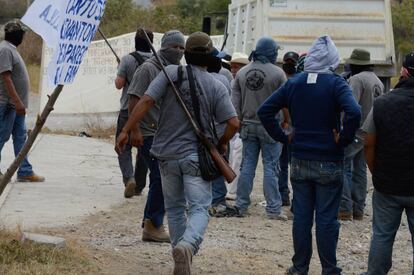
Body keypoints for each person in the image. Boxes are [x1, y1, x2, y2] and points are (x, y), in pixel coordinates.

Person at [116, 32, 239, 275]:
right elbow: (233, 123)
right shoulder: (216, 84)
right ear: (210, 55)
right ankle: (188, 246)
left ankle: (180, 261)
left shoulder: (169, 74)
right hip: (196, 157)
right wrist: (222, 143)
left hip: (166, 155)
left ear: (187, 53)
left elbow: (145, 101)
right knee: (199, 209)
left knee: (173, 208)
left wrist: (126, 130)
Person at [258, 36, 361, 275]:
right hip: (329, 159)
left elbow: (265, 111)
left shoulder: (294, 83)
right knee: (326, 219)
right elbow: (354, 111)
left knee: (302, 217)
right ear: (332, 59)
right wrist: (343, 139)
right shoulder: (336, 84)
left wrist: (285, 136)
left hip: (300, 159)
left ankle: (299, 267)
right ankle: (329, 269)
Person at [127, 30, 185, 243]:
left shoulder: (175, 70)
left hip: (166, 133)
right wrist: (134, 130)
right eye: (174, 47)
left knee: (161, 178)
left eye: (182, 48)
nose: (178, 51)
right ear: (163, 46)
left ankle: (151, 221)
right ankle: (153, 225)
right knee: (161, 179)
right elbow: (133, 101)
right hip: (148, 132)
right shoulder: (148, 69)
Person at [362, 53, 414, 275]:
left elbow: (368, 143)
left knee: (382, 235)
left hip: (388, 184)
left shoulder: (383, 103)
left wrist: (376, 171)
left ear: (404, 71)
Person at [232, 37, 287, 220]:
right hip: (271, 127)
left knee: (247, 166)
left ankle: (241, 205)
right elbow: (286, 102)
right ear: (271, 52)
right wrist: (286, 121)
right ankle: (273, 209)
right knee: (271, 167)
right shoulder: (278, 74)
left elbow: (235, 104)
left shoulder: (242, 72)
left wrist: (239, 122)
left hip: (247, 125)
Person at [339, 48, 384, 221]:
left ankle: (344, 208)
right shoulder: (377, 81)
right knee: (360, 170)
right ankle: (358, 209)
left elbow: (350, 107)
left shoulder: (357, 79)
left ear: (356, 64)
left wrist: (343, 129)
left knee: (342, 165)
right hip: (371, 132)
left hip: (356, 130)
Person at [0, 20, 45, 183]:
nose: (24, 36)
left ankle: (24, 170)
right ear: (16, 34)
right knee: (1, 136)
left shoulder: (11, 49)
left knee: (20, 138)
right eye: (22, 33)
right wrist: (17, 102)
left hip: (15, 106)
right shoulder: (5, 49)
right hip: (8, 104)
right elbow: (6, 77)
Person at [114, 29, 152, 198]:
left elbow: (119, 84)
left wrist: (120, 70)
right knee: (144, 148)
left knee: (124, 146)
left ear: (135, 42)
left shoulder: (127, 59)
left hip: (127, 109)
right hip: (148, 111)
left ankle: (129, 178)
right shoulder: (156, 61)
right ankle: (139, 185)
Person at [226, 52, 249, 201]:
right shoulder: (232, 82)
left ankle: (233, 190)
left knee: (237, 157)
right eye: (233, 67)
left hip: (240, 124)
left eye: (237, 67)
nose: (234, 70)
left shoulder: (240, 83)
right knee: (233, 156)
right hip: (232, 124)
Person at [279, 51, 299, 206]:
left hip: (289, 127)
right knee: (287, 164)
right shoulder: (300, 80)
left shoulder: (283, 80)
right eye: (289, 61)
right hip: (290, 127)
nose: (289, 64)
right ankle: (285, 196)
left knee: (285, 164)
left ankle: (285, 196)